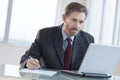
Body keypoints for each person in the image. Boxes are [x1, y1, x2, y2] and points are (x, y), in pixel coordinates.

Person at [20, 2, 94, 70]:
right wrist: (28, 63)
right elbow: (25, 59)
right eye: (74, 20)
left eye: (81, 22)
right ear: (64, 18)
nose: (77, 26)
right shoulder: (44, 35)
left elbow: (91, 66)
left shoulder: (88, 40)